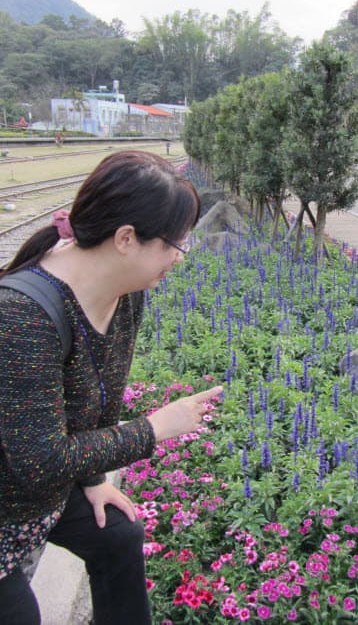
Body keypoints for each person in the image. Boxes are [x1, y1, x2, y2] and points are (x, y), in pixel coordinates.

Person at [0, 150, 222, 624]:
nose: (178, 259)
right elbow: (40, 461)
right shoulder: (21, 315)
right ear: (126, 239)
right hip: (9, 507)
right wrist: (156, 427)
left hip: (37, 498)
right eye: (174, 245)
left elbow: (100, 401)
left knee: (119, 534)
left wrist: (96, 482)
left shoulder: (125, 293)